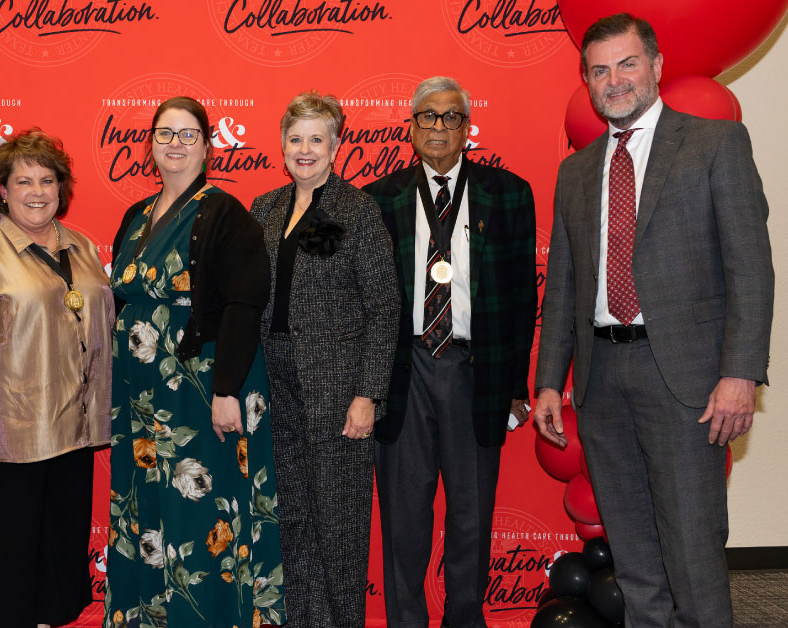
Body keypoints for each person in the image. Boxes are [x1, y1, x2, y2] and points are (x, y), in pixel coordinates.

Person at [533, 13, 772, 628]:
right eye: (599, 70)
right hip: (601, 380)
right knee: (634, 559)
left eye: (627, 63)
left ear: (657, 66)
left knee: (693, 554)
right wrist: (549, 382)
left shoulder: (715, 144)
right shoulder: (576, 171)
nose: (614, 80)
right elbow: (563, 285)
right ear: (587, 80)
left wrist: (741, 374)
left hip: (685, 381)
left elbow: (750, 267)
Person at [104, 96, 285, 628]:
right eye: (165, 134)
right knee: (146, 506)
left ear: (208, 147)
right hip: (143, 395)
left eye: (189, 135)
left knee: (202, 510)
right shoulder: (137, 216)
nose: (176, 144)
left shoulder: (225, 213)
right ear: (150, 145)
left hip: (201, 388)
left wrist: (227, 391)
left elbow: (244, 304)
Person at [363, 76, 536, 628]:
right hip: (403, 372)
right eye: (428, 116)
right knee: (403, 518)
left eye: (451, 117)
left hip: (474, 371)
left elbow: (520, 297)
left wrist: (516, 387)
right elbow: (364, 302)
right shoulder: (378, 199)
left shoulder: (508, 193)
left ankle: (465, 618)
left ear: (467, 128)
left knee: (471, 515)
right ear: (411, 127)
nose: (439, 126)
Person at [0, 129, 112, 627]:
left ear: (61, 188)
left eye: (47, 180)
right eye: (24, 181)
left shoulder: (81, 247)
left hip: (73, 430)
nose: (37, 191)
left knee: (57, 554)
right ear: (2, 191)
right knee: (3, 559)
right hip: (8, 436)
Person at [249, 90, 398, 628]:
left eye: (317, 139)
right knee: (291, 520)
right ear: (282, 145)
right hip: (275, 386)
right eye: (296, 139)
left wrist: (368, 394)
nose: (305, 150)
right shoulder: (265, 209)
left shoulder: (355, 211)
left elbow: (384, 308)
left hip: (337, 393)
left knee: (338, 528)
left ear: (335, 147)